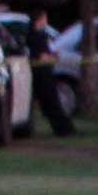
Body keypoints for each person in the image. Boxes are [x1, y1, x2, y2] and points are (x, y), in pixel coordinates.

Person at [26, 8, 68, 137]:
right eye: (45, 18)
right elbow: (41, 57)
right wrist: (54, 57)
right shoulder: (36, 36)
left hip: (42, 73)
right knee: (51, 102)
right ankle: (63, 129)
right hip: (42, 75)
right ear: (40, 19)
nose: (46, 21)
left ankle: (62, 129)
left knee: (48, 103)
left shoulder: (38, 35)